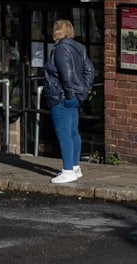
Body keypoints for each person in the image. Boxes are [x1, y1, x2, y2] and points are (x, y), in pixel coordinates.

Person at [43, 18, 95, 185]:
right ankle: (75, 167)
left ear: (57, 33)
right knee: (73, 133)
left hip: (61, 97)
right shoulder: (79, 47)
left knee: (64, 134)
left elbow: (67, 75)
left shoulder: (60, 48)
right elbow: (90, 70)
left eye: (54, 30)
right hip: (74, 97)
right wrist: (83, 91)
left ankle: (67, 172)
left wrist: (70, 94)